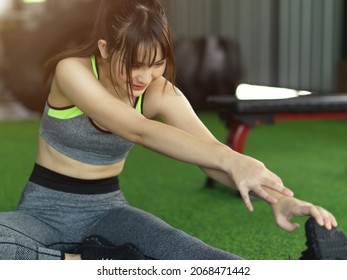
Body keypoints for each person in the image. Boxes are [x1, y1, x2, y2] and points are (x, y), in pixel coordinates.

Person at [0, 0, 339, 260]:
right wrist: (230, 158)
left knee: (193, 254)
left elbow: (211, 158)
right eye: (133, 64)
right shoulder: (71, 72)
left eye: (156, 64)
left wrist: (278, 199)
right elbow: (139, 130)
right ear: (104, 49)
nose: (144, 78)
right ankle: (90, 262)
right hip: (40, 212)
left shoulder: (160, 92)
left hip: (107, 211)